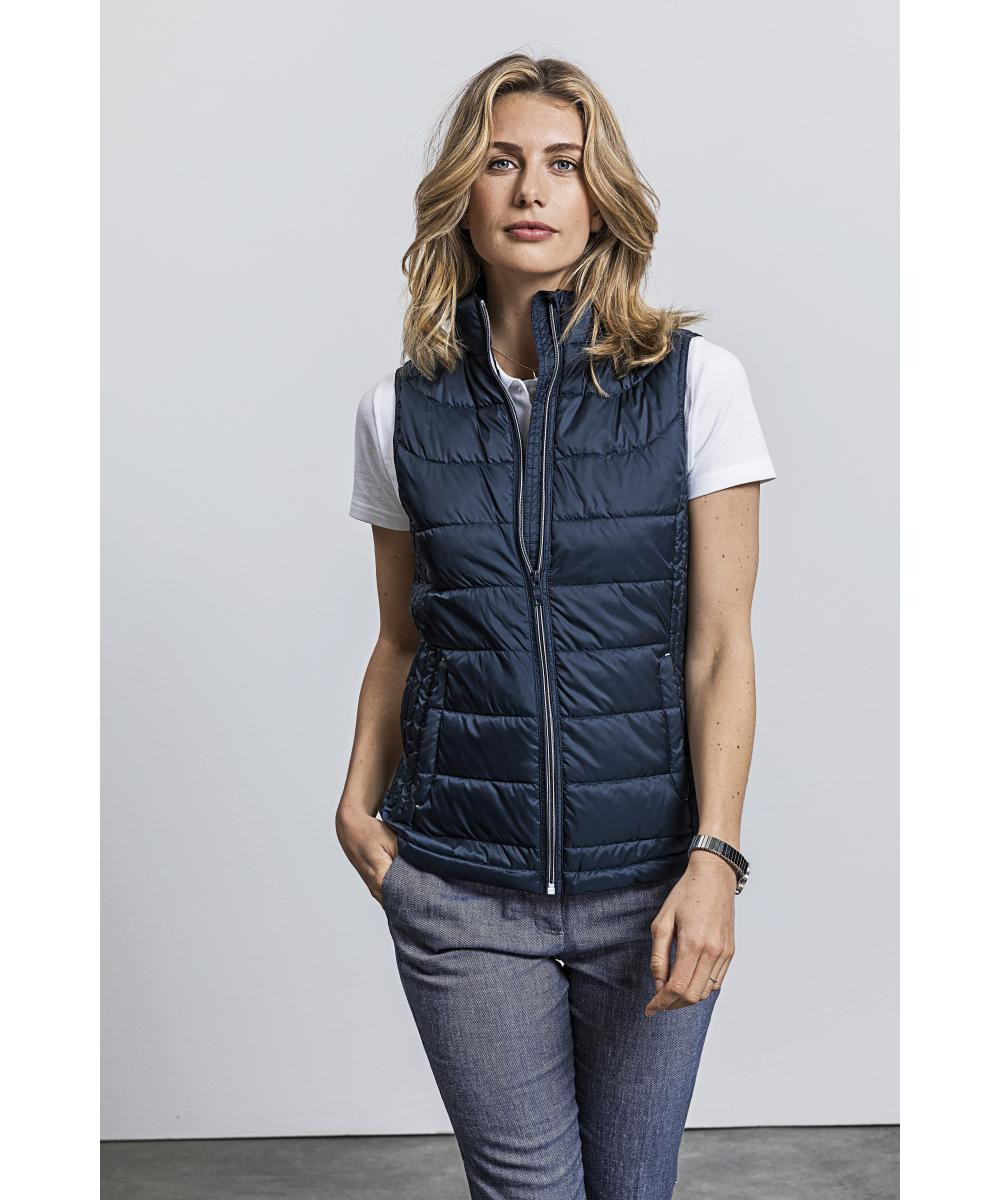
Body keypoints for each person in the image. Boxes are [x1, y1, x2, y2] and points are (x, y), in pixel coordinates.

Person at [337, 53, 776, 1200]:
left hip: (652, 887)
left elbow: (719, 646)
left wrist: (715, 859)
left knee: (632, 1188)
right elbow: (402, 639)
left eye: (563, 164)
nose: (531, 189)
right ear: (462, 194)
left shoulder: (696, 385)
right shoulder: (399, 410)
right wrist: (356, 804)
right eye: (501, 162)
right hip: (461, 891)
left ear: (600, 195)